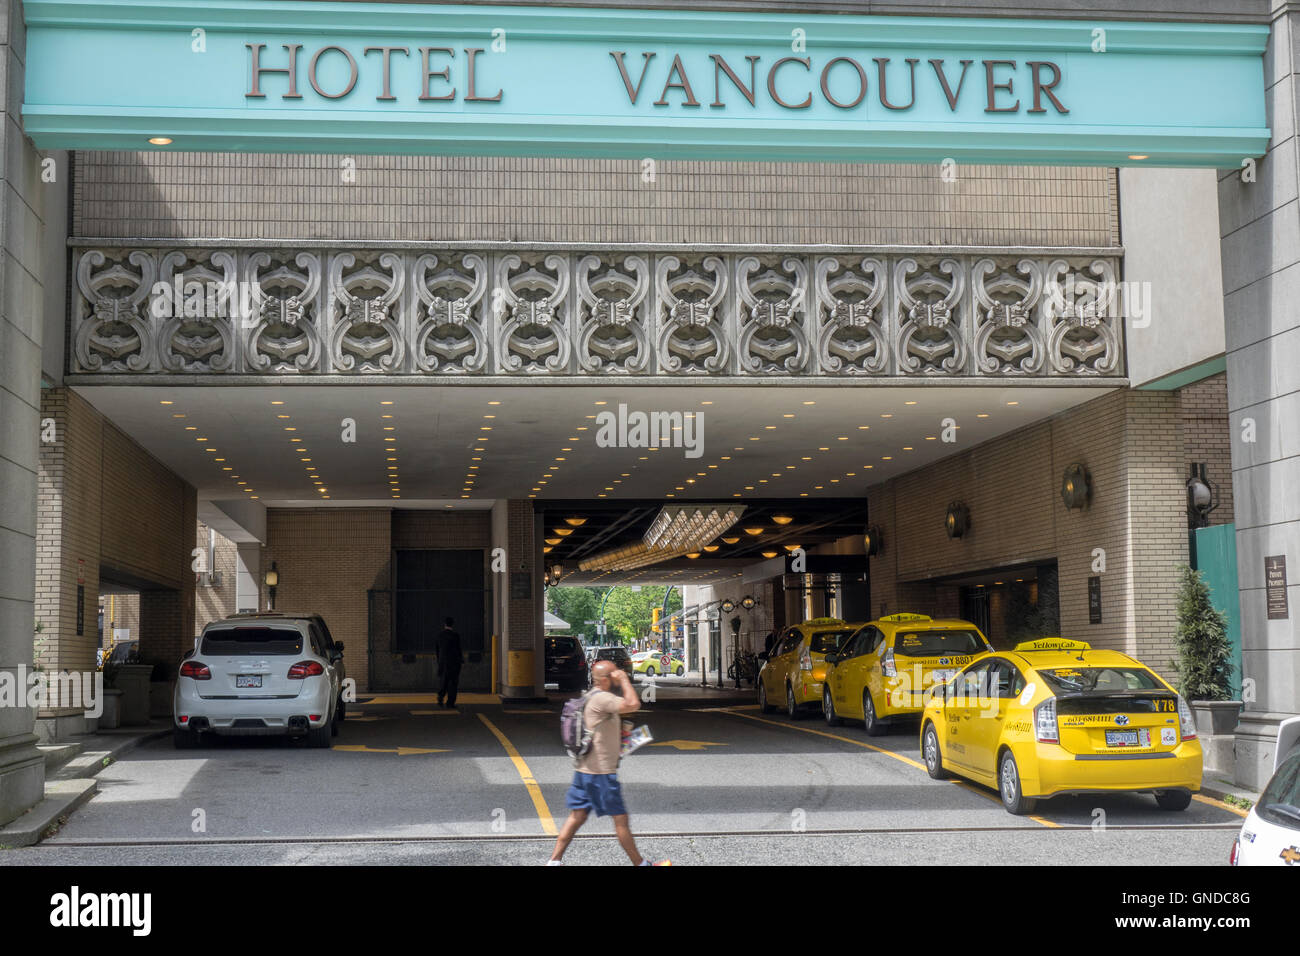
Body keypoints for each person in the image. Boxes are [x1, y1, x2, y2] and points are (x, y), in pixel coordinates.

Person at [547, 660, 667, 866]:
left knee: (577, 817)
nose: (617, 677)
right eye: (613, 675)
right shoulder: (602, 698)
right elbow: (633, 704)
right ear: (604, 679)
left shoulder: (590, 696)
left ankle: (554, 862)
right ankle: (641, 864)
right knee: (621, 820)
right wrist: (624, 680)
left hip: (584, 770)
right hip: (600, 774)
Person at [434, 617, 463, 708]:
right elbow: (458, 650)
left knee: (443, 681)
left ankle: (440, 696)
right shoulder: (455, 636)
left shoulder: (440, 635)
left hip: (443, 662)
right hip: (454, 663)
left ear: (445, 624)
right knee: (453, 683)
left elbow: (437, 650)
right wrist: (460, 660)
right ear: (452, 624)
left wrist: (440, 661)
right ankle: (450, 703)